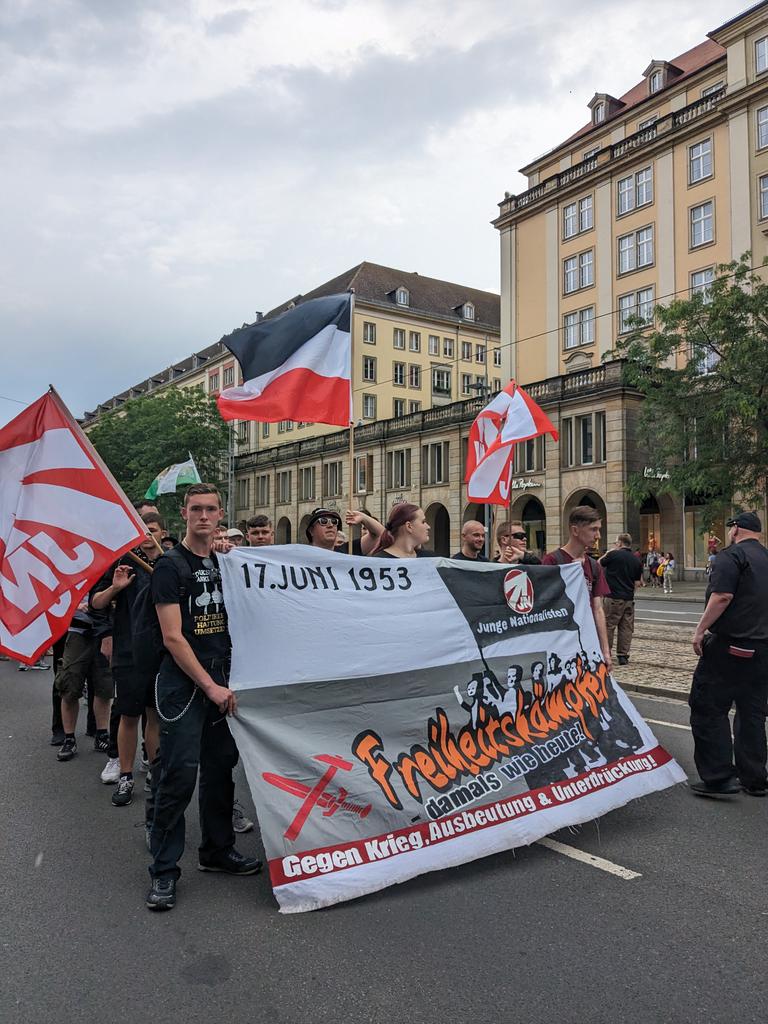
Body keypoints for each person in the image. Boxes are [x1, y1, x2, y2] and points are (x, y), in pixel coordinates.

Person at [147, 483, 261, 912]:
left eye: (211, 509)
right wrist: (208, 686)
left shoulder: (226, 562)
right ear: (185, 512)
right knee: (178, 775)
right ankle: (163, 870)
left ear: (220, 514)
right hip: (184, 684)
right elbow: (173, 637)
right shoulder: (169, 567)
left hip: (223, 676)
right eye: (196, 509)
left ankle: (217, 850)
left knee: (220, 769)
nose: (204, 516)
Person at [689, 512, 768, 799]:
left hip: (729, 646)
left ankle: (719, 777)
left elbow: (722, 596)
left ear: (736, 529)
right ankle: (755, 778)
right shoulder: (766, 557)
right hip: (762, 650)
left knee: (708, 707)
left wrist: (700, 630)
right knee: (752, 713)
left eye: (731, 526)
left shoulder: (731, 556)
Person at [90, 513, 165, 807]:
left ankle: (154, 772)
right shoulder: (123, 562)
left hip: (160, 652)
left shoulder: (169, 562)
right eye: (143, 531)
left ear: (162, 532)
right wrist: (116, 588)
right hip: (128, 650)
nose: (148, 535)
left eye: (153, 530)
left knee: (155, 715)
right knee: (129, 715)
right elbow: (96, 602)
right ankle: (125, 774)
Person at [542, 506, 612, 672]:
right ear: (575, 530)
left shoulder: (594, 566)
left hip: (587, 642)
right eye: (593, 530)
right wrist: (570, 577)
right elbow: (544, 605)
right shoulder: (552, 561)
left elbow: (598, 609)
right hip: (559, 645)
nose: (598, 536)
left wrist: (605, 650)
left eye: (599, 529)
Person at [54, 598, 113, 761]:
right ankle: (69, 738)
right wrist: (75, 606)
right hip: (77, 631)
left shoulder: (108, 572)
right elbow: (55, 595)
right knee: (69, 685)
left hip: (105, 632)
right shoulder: (67, 571)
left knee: (104, 685)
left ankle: (101, 734)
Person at [600, 533, 642, 666]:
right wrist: (630, 593)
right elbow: (637, 582)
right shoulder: (636, 560)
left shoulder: (613, 555)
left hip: (612, 597)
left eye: (615, 543)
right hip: (629, 598)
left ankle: (605, 653)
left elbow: (598, 564)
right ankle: (623, 655)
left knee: (608, 626)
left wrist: (608, 553)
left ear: (619, 543)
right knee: (626, 628)